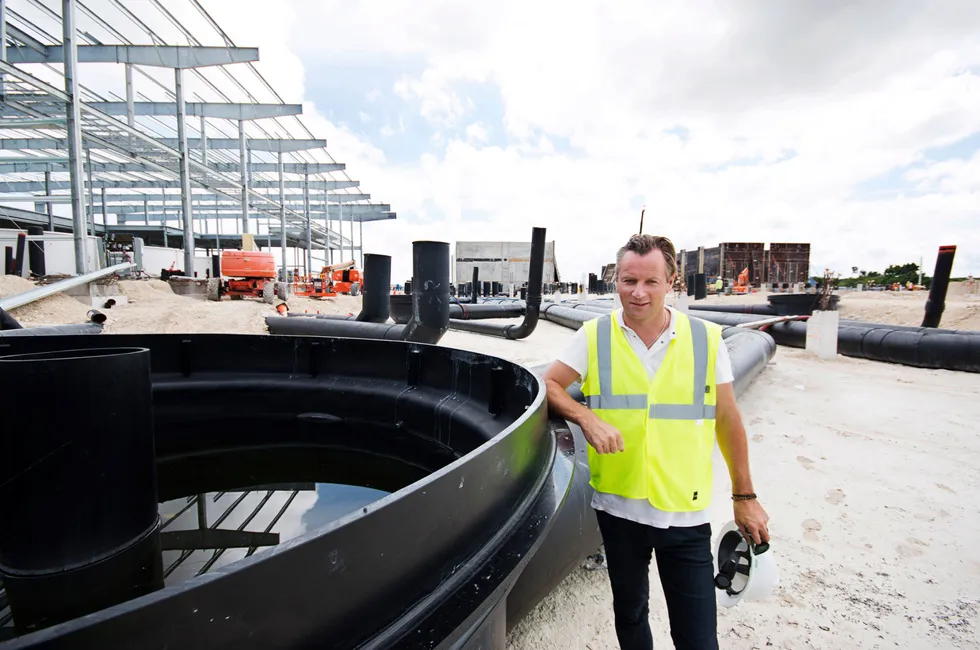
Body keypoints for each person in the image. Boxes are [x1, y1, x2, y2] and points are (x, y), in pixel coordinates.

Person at [543, 234, 770, 650]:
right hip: (618, 507)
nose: (638, 293)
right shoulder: (594, 335)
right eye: (629, 281)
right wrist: (586, 418)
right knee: (630, 616)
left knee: (697, 635)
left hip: (684, 511)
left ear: (672, 282)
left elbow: (727, 418)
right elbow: (550, 385)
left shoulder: (706, 339)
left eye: (650, 282)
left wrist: (745, 496)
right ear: (616, 281)